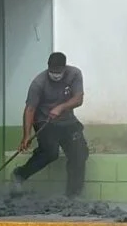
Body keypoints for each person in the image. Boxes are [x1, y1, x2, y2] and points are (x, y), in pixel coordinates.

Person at [12, 52, 89, 198]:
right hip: (45, 122)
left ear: (64, 68)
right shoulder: (38, 83)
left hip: (68, 122)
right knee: (50, 152)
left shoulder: (75, 74)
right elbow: (30, 109)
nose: (56, 74)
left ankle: (73, 195)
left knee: (79, 153)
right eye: (52, 71)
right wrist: (26, 136)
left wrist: (61, 107)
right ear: (48, 67)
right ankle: (20, 174)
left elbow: (78, 99)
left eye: (59, 71)